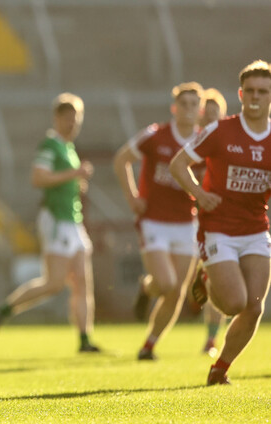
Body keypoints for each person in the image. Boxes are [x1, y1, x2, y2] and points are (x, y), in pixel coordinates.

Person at [170, 60, 271, 385]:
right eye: (250, 91)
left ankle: (220, 369)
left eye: (263, 91)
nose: (256, 96)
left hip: (255, 229)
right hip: (218, 229)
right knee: (233, 303)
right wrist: (199, 194)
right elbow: (178, 164)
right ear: (241, 94)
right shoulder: (221, 130)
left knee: (254, 307)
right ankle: (206, 277)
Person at [0, 93, 100, 353]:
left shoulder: (68, 147)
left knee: (82, 282)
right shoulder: (50, 144)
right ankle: (0, 313)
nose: (72, 123)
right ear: (56, 118)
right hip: (57, 220)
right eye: (68, 118)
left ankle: (85, 340)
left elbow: (61, 179)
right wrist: (75, 174)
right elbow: (38, 178)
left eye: (76, 119)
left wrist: (75, 182)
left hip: (74, 220)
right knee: (54, 284)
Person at [113, 82, 203, 360]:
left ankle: (149, 346)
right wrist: (132, 197)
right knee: (165, 283)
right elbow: (121, 160)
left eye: (194, 104)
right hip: (154, 221)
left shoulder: (204, 141)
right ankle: (146, 287)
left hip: (186, 222)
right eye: (183, 104)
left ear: (199, 110)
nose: (188, 109)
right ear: (174, 108)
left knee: (178, 291)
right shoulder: (155, 135)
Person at [193, 88, 228, 357]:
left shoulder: (229, 142)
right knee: (173, 281)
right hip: (189, 219)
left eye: (216, 112)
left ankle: (211, 339)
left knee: (220, 279)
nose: (211, 116)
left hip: (220, 220)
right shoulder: (192, 142)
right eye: (208, 112)